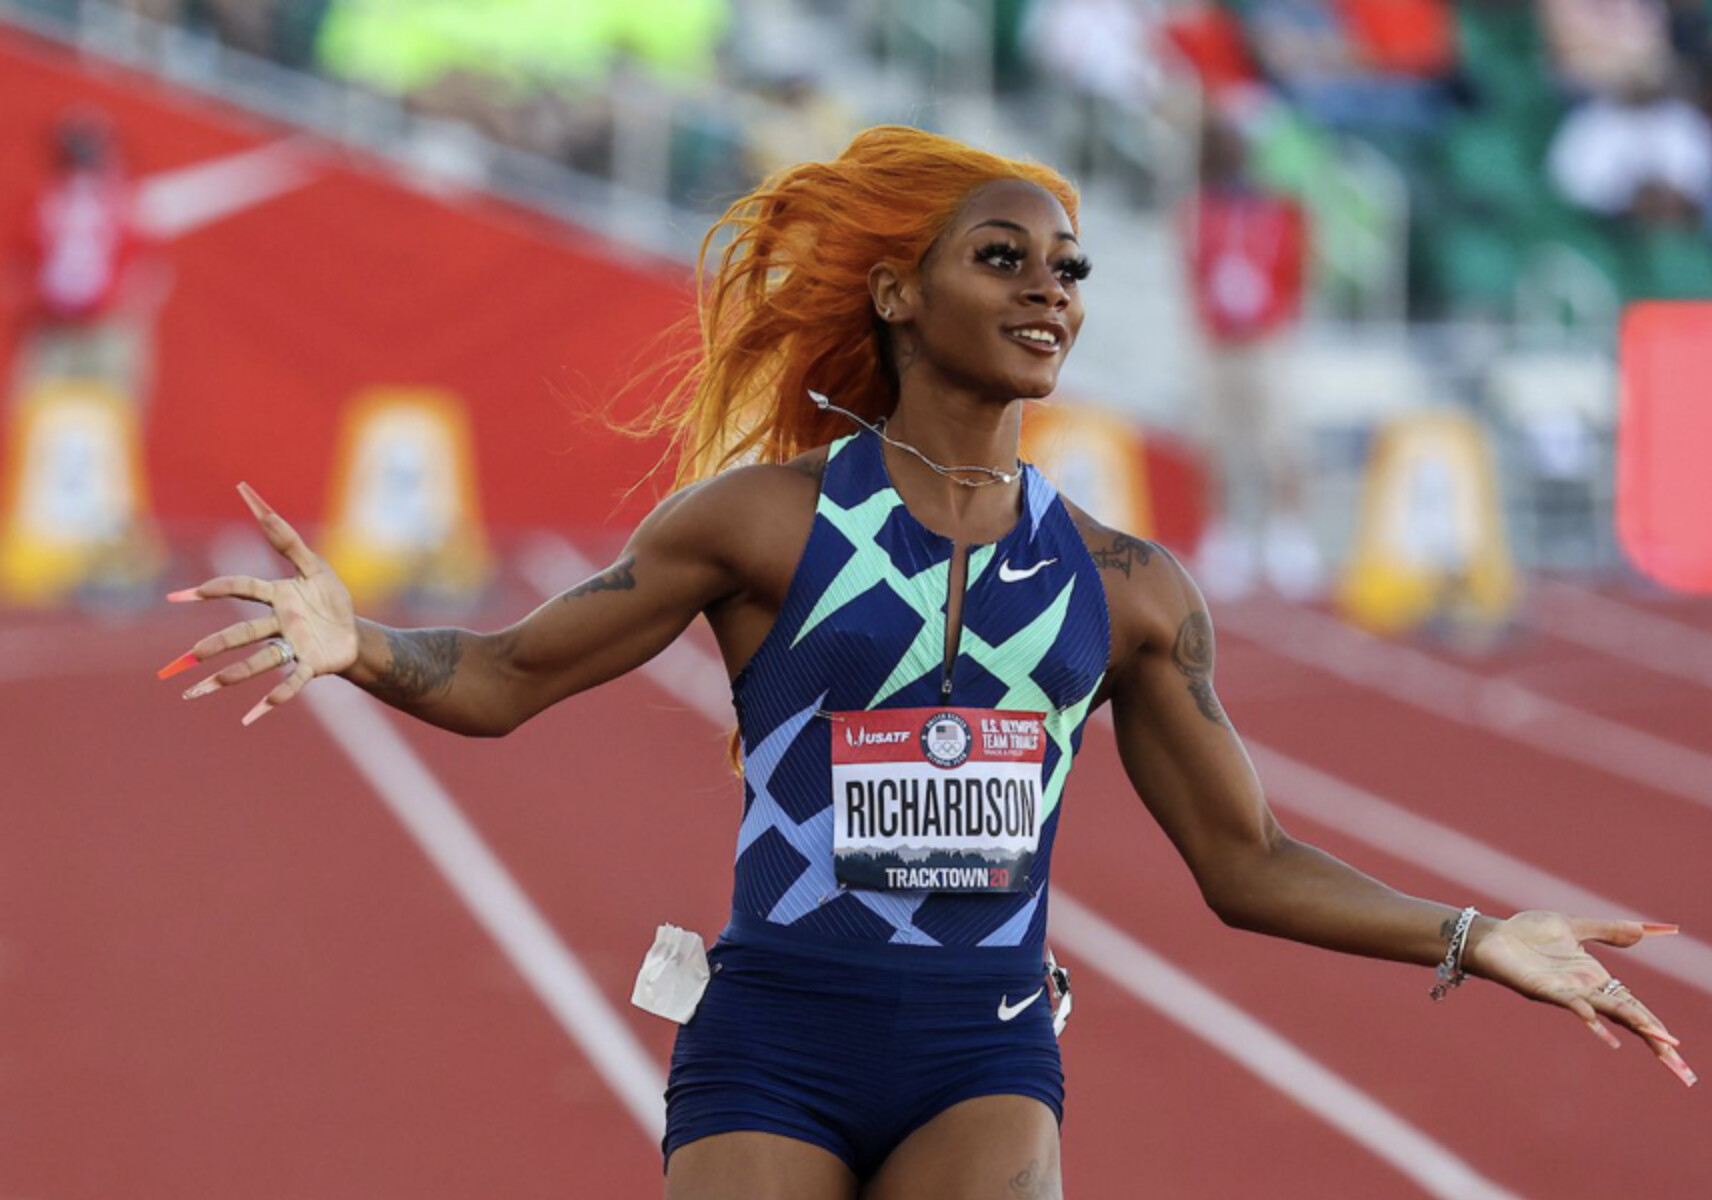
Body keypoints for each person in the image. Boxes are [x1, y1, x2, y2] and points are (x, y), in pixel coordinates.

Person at [158, 127, 1691, 1200]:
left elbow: (1246, 862)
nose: (1049, 291)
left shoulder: (1128, 588)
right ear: (899, 293)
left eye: (1070, 269)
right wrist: (358, 643)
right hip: (773, 1041)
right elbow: (502, 676)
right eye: (1002, 258)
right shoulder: (761, 524)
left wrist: (1473, 934)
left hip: (986, 1051)